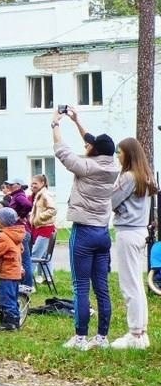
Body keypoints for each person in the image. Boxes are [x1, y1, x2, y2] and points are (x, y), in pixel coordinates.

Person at [52, 107, 119, 351]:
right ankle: (102, 337)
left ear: (94, 151)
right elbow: (94, 144)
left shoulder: (86, 167)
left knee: (80, 285)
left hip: (84, 233)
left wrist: (55, 124)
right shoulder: (112, 167)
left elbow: (61, 151)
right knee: (101, 286)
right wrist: (77, 120)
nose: (86, 145)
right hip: (103, 234)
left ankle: (80, 338)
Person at [109, 137, 157, 350]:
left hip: (128, 232)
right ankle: (141, 332)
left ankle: (135, 334)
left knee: (129, 285)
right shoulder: (144, 176)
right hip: (138, 231)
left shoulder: (128, 177)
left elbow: (111, 200)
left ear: (129, 154)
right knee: (136, 283)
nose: (117, 155)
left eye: (120, 152)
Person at [2, 178, 34, 293]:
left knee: (25, 259)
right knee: (23, 258)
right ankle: (24, 284)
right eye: (8, 184)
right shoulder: (16, 195)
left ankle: (28, 285)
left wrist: (20, 215)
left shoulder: (19, 196)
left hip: (22, 231)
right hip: (21, 231)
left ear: (19, 185)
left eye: (11, 184)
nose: (9, 186)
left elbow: (28, 205)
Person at [28, 175, 57, 262]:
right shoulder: (38, 195)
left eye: (35, 183)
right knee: (44, 256)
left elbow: (53, 209)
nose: (33, 185)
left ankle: (29, 275)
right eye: (32, 183)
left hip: (45, 228)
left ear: (42, 183)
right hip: (40, 227)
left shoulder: (45, 195)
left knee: (35, 255)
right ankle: (47, 275)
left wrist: (38, 218)